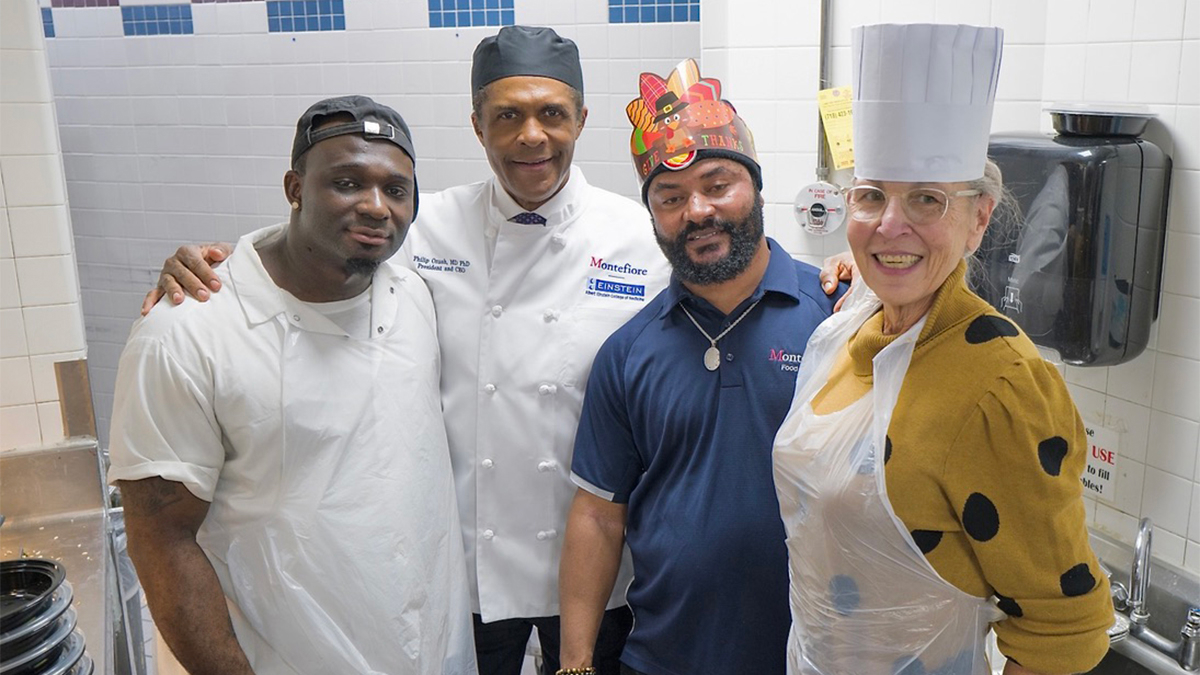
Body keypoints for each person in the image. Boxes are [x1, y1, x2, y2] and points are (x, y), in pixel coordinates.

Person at [771, 24, 1113, 675]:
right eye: (872, 195)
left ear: (977, 218)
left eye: (927, 199)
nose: (890, 224)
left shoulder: (1000, 386)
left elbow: (1067, 631)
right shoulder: (842, 330)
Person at [108, 96, 476, 674]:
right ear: (294, 187)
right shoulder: (188, 332)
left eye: (397, 190)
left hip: (431, 647)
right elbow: (160, 542)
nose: (376, 207)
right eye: (347, 182)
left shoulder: (416, 298)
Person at [557, 59, 845, 675]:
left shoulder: (835, 317)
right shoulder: (629, 352)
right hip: (664, 657)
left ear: (758, 190)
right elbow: (597, 516)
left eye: (718, 186)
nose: (697, 211)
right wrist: (576, 664)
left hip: (818, 657)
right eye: (670, 197)